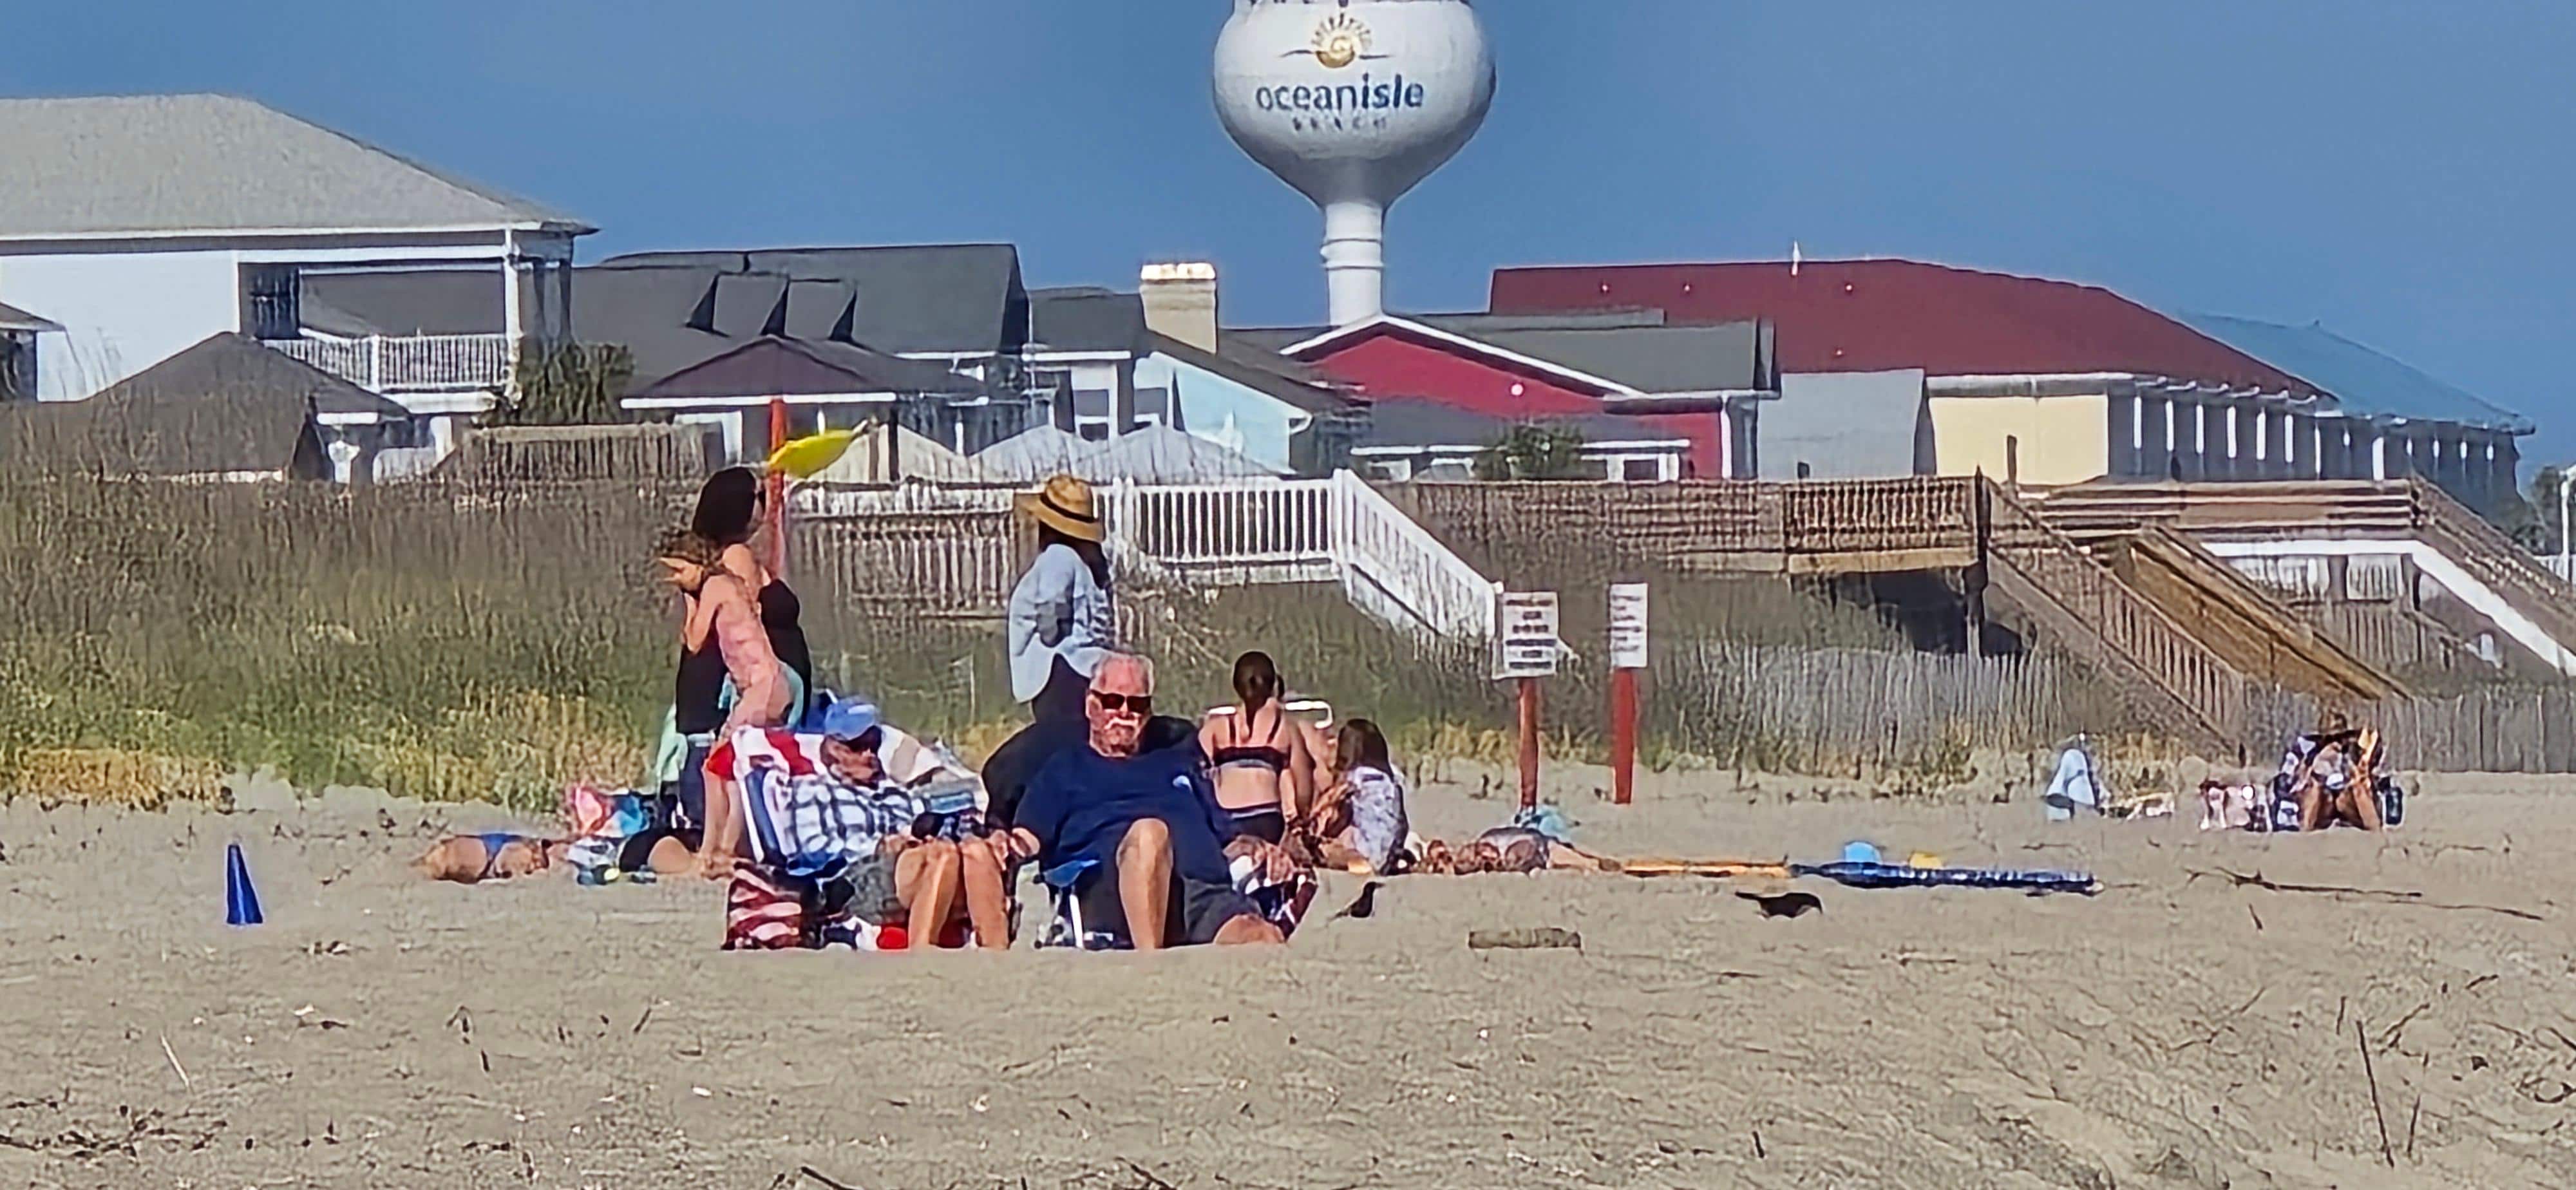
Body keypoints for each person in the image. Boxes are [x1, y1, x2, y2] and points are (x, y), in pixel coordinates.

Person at [1001, 654, 1293, 949]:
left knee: (1263, 939)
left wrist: (1259, 848)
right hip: (1114, 895)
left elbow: (1227, 837)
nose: (1125, 712)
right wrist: (1003, 845)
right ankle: (1150, 965)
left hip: (1202, 895)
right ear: (1091, 705)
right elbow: (1026, 839)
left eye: (1137, 704)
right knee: (1150, 835)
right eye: (1113, 701)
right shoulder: (1065, 770)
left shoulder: (1178, 763)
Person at [723, 699, 1014, 950]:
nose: (869, 754)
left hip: (913, 863)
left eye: (873, 743)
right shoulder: (813, 791)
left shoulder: (893, 790)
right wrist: (878, 846)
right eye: (858, 746)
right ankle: (922, 955)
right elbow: (810, 852)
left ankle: (996, 958)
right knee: (940, 856)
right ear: (833, 748)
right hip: (852, 879)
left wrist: (973, 834)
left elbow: (937, 818)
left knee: (976, 851)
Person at [652, 529, 791, 880]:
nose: (676, 579)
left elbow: (694, 641)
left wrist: (689, 601)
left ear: (697, 562)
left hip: (763, 687)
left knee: (716, 766)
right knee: (728, 770)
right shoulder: (727, 584)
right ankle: (723, 849)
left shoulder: (714, 587)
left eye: (680, 570)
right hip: (764, 686)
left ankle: (716, 851)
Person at [980, 475, 1116, 826]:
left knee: (1057, 747)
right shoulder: (1093, 561)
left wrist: (1048, 636)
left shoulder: (1058, 556)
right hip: (1089, 667)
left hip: (1060, 668)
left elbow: (1050, 607)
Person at [691, 467, 815, 724]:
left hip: (781, 677)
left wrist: (776, 513)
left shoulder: (739, 555)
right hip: (773, 682)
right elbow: (746, 623)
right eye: (759, 496)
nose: (764, 502)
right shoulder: (737, 556)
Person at [1197, 651, 1323, 844]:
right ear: (1272, 685)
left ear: (1236, 685)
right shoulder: (1285, 728)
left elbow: (1195, 774)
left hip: (1224, 818)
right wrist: (1302, 818)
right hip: (1266, 818)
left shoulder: (1215, 728)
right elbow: (1303, 783)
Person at [1299, 717, 1410, 874]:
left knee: (1325, 845)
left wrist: (1311, 816)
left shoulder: (1357, 776)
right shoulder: (1391, 777)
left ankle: (1344, 859)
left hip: (1367, 850)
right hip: (1390, 850)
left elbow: (1332, 796)